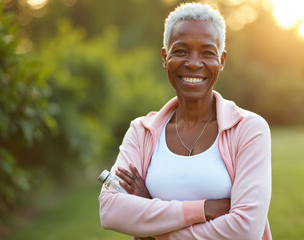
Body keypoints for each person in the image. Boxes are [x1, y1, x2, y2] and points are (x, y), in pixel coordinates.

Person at [99, 2, 272, 240]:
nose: (193, 62)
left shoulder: (249, 129)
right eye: (181, 51)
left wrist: (154, 219)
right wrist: (204, 209)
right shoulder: (141, 131)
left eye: (207, 53)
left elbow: (245, 229)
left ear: (221, 60)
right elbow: (110, 211)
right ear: (164, 57)